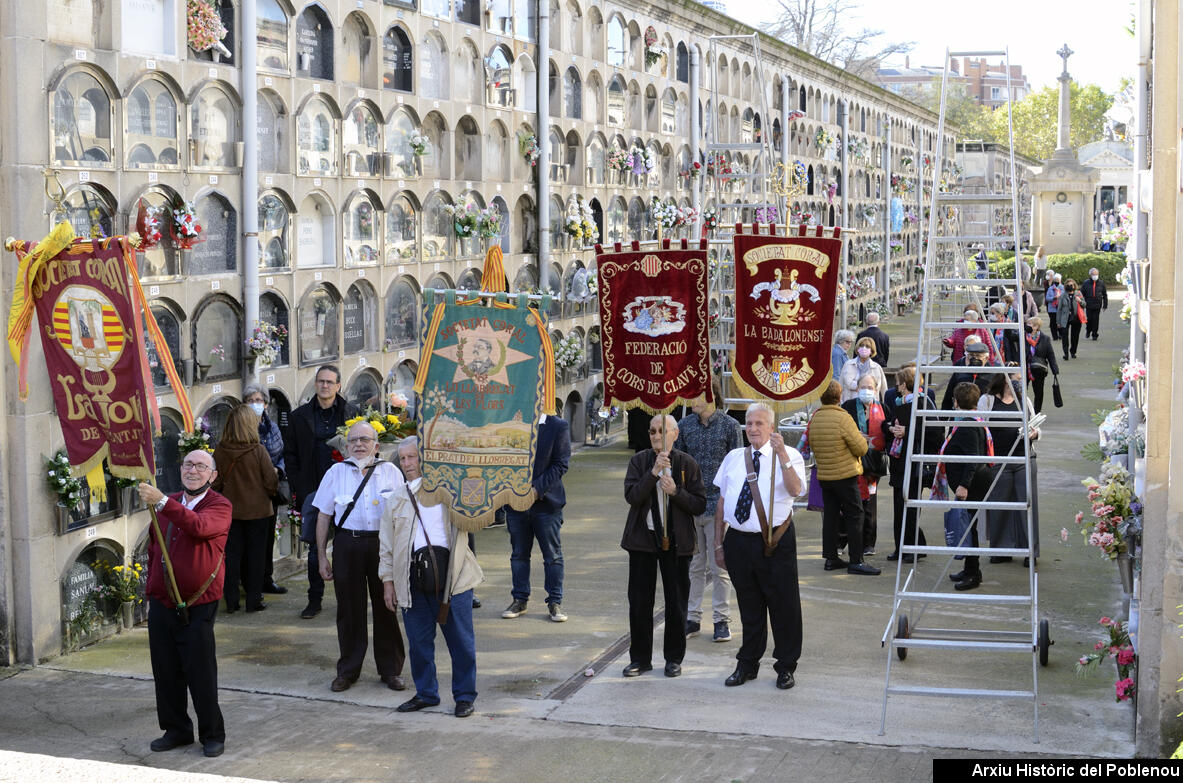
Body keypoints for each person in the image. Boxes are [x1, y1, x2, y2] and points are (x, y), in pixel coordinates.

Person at [136, 450, 232, 758]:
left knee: (200, 671)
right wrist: (152, 591)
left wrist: (163, 502)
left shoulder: (220, 505)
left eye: (201, 466)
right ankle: (176, 729)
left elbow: (199, 527)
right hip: (163, 601)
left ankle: (212, 734)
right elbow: (154, 548)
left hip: (198, 602)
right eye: (188, 464)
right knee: (165, 670)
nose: (193, 470)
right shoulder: (166, 503)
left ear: (212, 475)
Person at [380, 438, 482, 718]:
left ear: (426, 458)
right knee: (419, 643)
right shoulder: (397, 498)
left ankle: (464, 696)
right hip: (411, 581)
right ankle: (426, 693)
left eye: (413, 457)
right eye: (403, 459)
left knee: (461, 642)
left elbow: (479, 515)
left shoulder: (451, 490)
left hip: (454, 579)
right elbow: (386, 545)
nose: (408, 464)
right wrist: (388, 582)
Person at [713, 403, 807, 690]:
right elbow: (721, 502)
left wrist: (781, 456)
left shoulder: (789, 455)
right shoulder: (733, 457)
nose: (752, 429)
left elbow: (795, 490)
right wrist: (718, 543)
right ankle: (748, 663)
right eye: (749, 423)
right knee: (749, 605)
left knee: (784, 606)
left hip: (774, 541)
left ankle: (785, 666)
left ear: (771, 426)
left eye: (759, 424)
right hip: (739, 541)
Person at [315, 421, 407, 693]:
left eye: (364, 440)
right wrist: (322, 556)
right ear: (345, 446)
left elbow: (403, 515)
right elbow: (323, 515)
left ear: (376, 446)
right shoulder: (335, 472)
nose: (358, 444)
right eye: (353, 440)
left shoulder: (391, 472)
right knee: (349, 610)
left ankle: (390, 670)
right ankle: (348, 670)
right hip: (347, 544)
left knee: (387, 607)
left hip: (382, 545)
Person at [621, 415, 707, 678]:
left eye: (662, 431)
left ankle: (673, 658)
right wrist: (653, 474)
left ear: (675, 434)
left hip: (677, 542)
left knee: (676, 602)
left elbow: (699, 503)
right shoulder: (639, 461)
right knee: (639, 602)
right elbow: (632, 496)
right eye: (652, 432)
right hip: (644, 541)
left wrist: (675, 492)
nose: (657, 436)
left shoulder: (686, 463)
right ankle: (640, 658)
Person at [285, 365, 359, 619]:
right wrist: (300, 488)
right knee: (316, 549)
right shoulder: (299, 417)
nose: (324, 386)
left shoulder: (353, 414)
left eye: (329, 382)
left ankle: (347, 600)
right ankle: (314, 600)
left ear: (339, 385)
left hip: (347, 492)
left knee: (347, 547)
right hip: (314, 491)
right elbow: (290, 455)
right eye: (320, 381)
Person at [673, 378, 742, 642]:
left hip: (718, 507)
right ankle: (692, 618)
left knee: (719, 567)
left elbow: (737, 467)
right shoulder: (684, 426)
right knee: (695, 566)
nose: (689, 400)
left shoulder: (730, 426)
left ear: (710, 396)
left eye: (694, 395)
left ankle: (721, 620)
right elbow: (677, 463)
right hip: (691, 507)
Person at [501, 414, 571, 622]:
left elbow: (561, 464)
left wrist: (536, 490)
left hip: (546, 504)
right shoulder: (510, 422)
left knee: (552, 556)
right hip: (515, 504)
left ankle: (555, 602)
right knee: (519, 554)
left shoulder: (557, 426)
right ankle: (520, 599)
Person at [212, 404, 279, 614]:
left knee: (231, 557)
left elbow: (215, 483)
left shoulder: (221, 450)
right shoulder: (258, 451)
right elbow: (270, 481)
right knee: (256, 558)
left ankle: (231, 601)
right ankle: (253, 601)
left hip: (230, 513)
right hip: (259, 513)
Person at [808, 380, 879, 575]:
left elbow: (812, 444)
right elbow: (861, 447)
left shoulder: (815, 418)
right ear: (840, 397)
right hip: (845, 475)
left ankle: (831, 558)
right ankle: (856, 560)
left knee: (830, 516)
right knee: (855, 514)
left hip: (825, 475)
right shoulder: (843, 418)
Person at [978, 372, 1040, 568]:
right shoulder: (987, 401)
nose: (1019, 381)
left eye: (1021, 378)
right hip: (998, 461)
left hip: (1024, 458)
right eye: (1015, 377)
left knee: (1027, 505)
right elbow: (981, 426)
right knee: (999, 505)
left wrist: (1035, 433)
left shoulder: (1024, 400)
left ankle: (1030, 551)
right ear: (1004, 380)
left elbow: (1036, 422)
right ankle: (1000, 550)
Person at [939, 382, 990, 592]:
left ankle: (973, 573)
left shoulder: (968, 424)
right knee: (969, 525)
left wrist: (963, 485)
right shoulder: (969, 420)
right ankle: (971, 568)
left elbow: (972, 458)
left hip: (972, 483)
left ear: (957, 401)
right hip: (971, 481)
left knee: (969, 527)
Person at [882, 367, 933, 562]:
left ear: (904, 384)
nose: (896, 386)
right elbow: (887, 422)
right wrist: (891, 428)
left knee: (910, 507)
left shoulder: (922, 402)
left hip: (914, 463)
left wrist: (907, 431)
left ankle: (914, 547)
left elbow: (932, 432)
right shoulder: (898, 402)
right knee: (899, 507)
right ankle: (901, 547)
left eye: (899, 382)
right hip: (898, 462)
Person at [243, 384, 288, 595]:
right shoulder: (241, 429)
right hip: (250, 492)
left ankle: (266, 579)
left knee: (268, 537)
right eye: (250, 401)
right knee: (252, 540)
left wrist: (278, 469)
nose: (255, 405)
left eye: (258, 401)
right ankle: (250, 583)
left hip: (271, 490)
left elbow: (282, 454)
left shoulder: (273, 427)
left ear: (266, 404)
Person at [841, 375, 887, 558]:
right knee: (849, 503)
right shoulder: (849, 407)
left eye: (870, 386)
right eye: (863, 386)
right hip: (852, 463)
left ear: (875, 389)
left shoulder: (882, 408)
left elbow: (889, 429)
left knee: (870, 505)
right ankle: (843, 540)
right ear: (857, 388)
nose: (866, 389)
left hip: (873, 465)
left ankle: (868, 543)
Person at [940, 339, 995, 410]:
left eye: (978, 356)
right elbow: (948, 395)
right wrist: (943, 417)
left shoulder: (992, 375)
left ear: (986, 358)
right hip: (961, 413)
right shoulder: (961, 372)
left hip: (983, 414)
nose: (974, 359)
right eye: (971, 356)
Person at [1024, 317, 1059, 414]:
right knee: (1022, 391)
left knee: (1038, 393)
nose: (1027, 326)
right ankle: (1023, 411)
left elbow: (1050, 355)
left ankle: (1036, 412)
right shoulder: (1022, 336)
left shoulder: (1045, 339)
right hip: (1025, 368)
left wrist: (1055, 369)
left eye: (1029, 324)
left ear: (1036, 327)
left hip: (1038, 369)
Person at [839, 337, 887, 403]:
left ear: (871, 351)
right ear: (858, 348)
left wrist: (884, 405)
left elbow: (884, 389)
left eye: (867, 346)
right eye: (861, 346)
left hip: (871, 405)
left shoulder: (877, 367)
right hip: (849, 403)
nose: (864, 348)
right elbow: (840, 384)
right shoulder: (848, 364)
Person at [1056, 279, 1085, 359]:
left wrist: (1080, 301)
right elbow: (1059, 309)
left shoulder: (1078, 294)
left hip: (1076, 318)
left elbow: (1084, 305)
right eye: (1068, 285)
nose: (1070, 287)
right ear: (1065, 286)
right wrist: (1058, 322)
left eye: (1071, 285)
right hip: (1065, 319)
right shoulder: (1062, 295)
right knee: (1064, 337)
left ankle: (1073, 351)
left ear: (1074, 286)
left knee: (1075, 337)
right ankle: (1066, 354)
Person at [1080, 267, 1109, 340]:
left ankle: (1094, 334)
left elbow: (1105, 294)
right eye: (1094, 274)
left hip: (1097, 304)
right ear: (1090, 275)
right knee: (1089, 319)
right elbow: (1081, 294)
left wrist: (1105, 305)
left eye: (1097, 274)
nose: (1095, 276)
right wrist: (1081, 304)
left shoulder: (1101, 283)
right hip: (1088, 304)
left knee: (1096, 320)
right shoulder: (1086, 283)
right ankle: (1088, 330)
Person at [1045, 274, 1063, 341]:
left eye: (1058, 280)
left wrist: (1059, 298)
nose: (1056, 281)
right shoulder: (1050, 288)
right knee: (1053, 323)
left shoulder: (1063, 288)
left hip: (1060, 308)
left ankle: (1061, 334)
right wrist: (1054, 298)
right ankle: (1055, 336)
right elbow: (1047, 298)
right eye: (1055, 280)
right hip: (1052, 309)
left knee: (1060, 323)